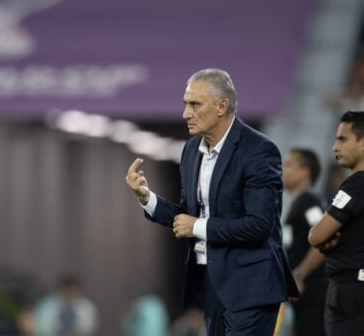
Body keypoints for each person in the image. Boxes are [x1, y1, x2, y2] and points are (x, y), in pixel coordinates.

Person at [125, 68, 298, 336]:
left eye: (195, 104)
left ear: (221, 106)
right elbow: (186, 216)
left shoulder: (259, 151)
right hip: (212, 284)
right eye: (186, 104)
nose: (185, 113)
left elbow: (259, 224)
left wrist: (197, 227)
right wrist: (148, 199)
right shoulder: (192, 150)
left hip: (252, 285)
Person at [308, 111, 364, 335]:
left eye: (342, 139)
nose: (334, 147)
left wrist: (326, 244)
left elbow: (316, 236)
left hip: (351, 291)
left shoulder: (356, 184)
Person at [281, 148, 327, 336]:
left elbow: (324, 236)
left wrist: (299, 275)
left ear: (305, 171)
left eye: (289, 164)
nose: (283, 169)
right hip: (302, 297)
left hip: (313, 294)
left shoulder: (308, 201)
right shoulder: (298, 202)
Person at [33, 276, 98, 336]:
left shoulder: (87, 307)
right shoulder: (47, 305)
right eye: (66, 291)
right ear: (60, 290)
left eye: (73, 291)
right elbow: (41, 328)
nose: (69, 294)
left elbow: (90, 327)